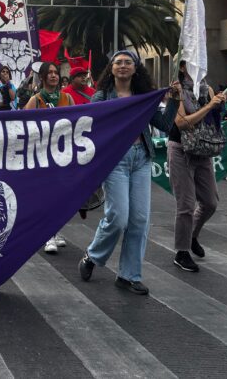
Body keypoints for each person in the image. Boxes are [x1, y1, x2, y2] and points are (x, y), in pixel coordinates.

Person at [78, 50, 180, 294]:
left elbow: (164, 125)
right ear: (111, 68)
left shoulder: (144, 97)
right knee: (119, 217)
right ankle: (93, 256)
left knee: (140, 220)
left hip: (141, 159)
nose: (123, 66)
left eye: (128, 63)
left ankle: (129, 275)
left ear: (136, 68)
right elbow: (90, 127)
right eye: (118, 62)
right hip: (115, 161)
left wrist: (175, 100)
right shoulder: (102, 96)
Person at [169, 61, 226, 272]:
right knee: (185, 204)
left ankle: (191, 235)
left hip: (202, 149)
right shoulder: (176, 89)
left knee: (210, 202)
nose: (200, 67)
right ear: (183, 68)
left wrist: (219, 105)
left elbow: (212, 119)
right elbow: (181, 122)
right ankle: (181, 252)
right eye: (194, 63)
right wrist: (210, 106)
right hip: (181, 149)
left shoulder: (207, 89)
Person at [24, 61, 73, 253]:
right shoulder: (36, 100)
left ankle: (56, 231)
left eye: (56, 72)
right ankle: (47, 236)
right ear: (43, 77)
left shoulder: (67, 98)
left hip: (62, 154)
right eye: (50, 73)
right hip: (43, 153)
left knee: (61, 196)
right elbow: (24, 126)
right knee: (47, 196)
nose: (53, 75)